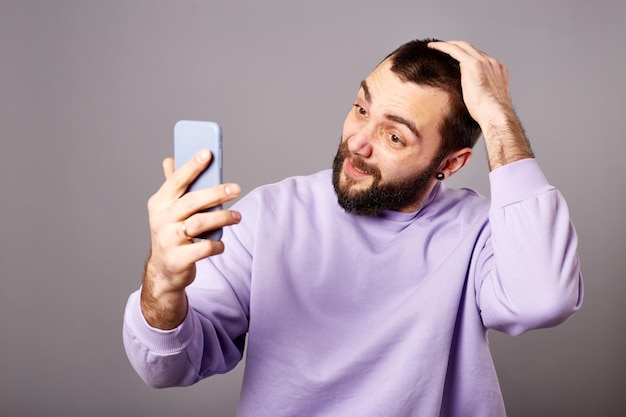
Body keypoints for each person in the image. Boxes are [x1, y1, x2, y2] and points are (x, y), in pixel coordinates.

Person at [123, 39, 583, 416]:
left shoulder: (480, 230)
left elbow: (544, 299)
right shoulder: (270, 214)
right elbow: (167, 369)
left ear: (452, 162)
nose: (357, 143)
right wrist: (161, 286)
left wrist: (499, 117)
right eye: (362, 108)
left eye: (394, 135)